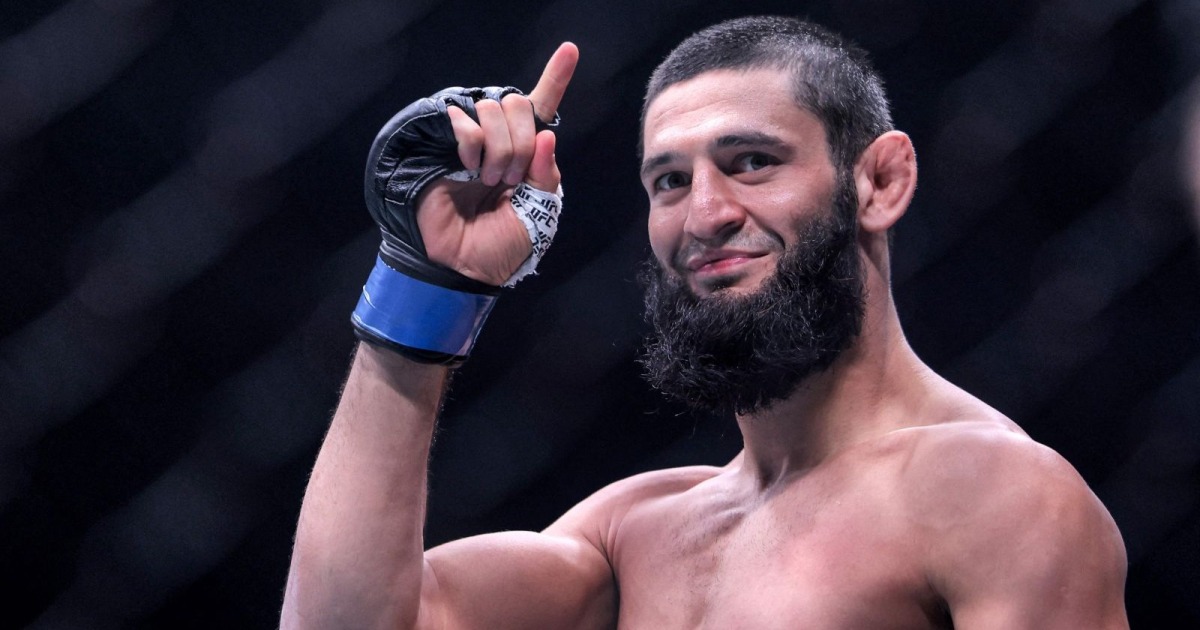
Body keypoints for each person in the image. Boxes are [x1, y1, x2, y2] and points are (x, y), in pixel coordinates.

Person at [281, 16, 1129, 629]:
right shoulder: (634, 534)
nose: (706, 215)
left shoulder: (992, 492)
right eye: (670, 182)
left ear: (879, 182)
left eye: (751, 162)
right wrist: (426, 283)